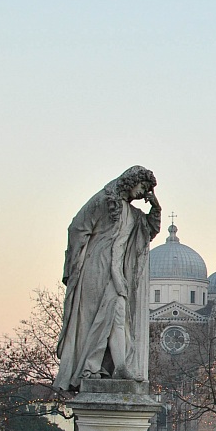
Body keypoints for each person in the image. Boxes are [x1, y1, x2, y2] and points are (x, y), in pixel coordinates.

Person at [54, 166, 162, 392]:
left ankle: (117, 366)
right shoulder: (103, 201)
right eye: (142, 187)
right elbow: (76, 228)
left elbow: (148, 231)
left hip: (117, 271)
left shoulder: (133, 214)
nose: (142, 194)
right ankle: (92, 367)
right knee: (98, 317)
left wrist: (155, 207)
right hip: (97, 267)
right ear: (130, 181)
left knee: (118, 314)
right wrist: (75, 265)